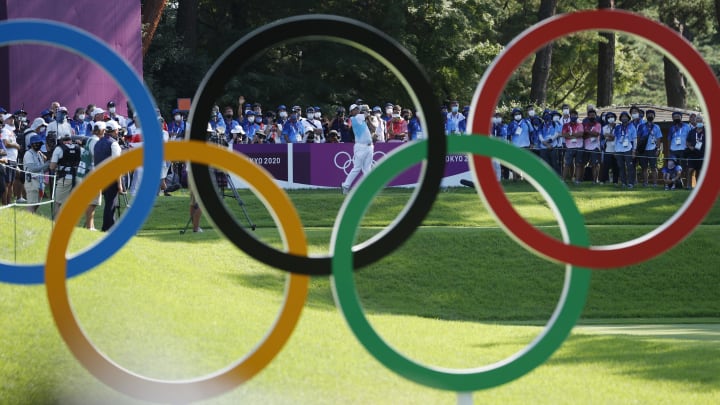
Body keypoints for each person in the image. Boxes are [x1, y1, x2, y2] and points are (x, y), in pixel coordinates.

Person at [94, 120, 124, 231]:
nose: (118, 132)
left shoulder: (98, 142)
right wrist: (119, 184)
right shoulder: (114, 144)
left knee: (109, 203)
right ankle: (108, 228)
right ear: (115, 130)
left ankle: (110, 226)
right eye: (117, 130)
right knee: (111, 204)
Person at [341, 104, 375, 194]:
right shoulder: (356, 118)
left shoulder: (361, 119)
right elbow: (367, 113)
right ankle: (346, 186)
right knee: (357, 168)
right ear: (351, 112)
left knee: (367, 169)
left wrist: (368, 117)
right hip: (361, 147)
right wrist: (367, 112)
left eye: (357, 109)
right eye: (355, 109)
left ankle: (368, 188)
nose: (357, 110)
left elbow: (373, 128)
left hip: (369, 146)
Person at [49, 132, 82, 213]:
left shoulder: (59, 149)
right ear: (71, 140)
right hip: (77, 178)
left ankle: (57, 222)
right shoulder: (79, 148)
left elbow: (52, 167)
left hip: (64, 178)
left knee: (58, 203)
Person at [22, 134, 49, 213]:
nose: (37, 145)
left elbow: (42, 169)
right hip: (32, 181)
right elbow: (33, 169)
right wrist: (46, 164)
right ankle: (28, 219)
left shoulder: (39, 154)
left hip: (40, 182)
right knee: (31, 203)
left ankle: (32, 217)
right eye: (35, 143)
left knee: (38, 203)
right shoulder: (28, 154)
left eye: (39, 143)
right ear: (31, 144)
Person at [636, 109, 662, 187]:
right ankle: (645, 183)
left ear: (654, 116)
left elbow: (658, 138)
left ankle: (655, 183)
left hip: (653, 149)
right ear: (646, 116)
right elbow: (638, 137)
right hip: (643, 149)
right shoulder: (641, 126)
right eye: (648, 114)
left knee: (653, 167)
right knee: (644, 167)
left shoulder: (657, 127)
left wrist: (658, 149)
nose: (650, 116)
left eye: (651, 114)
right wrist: (638, 148)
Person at [613, 111, 637, 188]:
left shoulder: (632, 127)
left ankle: (631, 183)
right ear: (620, 118)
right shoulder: (617, 127)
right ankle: (623, 182)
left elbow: (635, 139)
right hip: (618, 149)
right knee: (621, 166)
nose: (624, 118)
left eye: (625, 117)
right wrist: (614, 150)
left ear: (628, 118)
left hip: (628, 149)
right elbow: (615, 139)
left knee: (630, 166)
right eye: (622, 117)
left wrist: (634, 150)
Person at [1, 113, 21, 205]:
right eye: (9, 118)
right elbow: (5, 143)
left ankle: (9, 204)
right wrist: (16, 145)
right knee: (7, 183)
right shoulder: (4, 130)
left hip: (13, 159)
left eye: (13, 118)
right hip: (7, 159)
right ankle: (5, 204)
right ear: (5, 120)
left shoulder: (11, 131)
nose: (12, 119)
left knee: (11, 183)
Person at [561, 109, 584, 184]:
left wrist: (570, 135)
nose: (573, 116)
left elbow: (581, 134)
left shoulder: (580, 125)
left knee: (578, 164)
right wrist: (574, 135)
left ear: (577, 116)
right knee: (567, 164)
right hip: (569, 147)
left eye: (575, 115)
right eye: (572, 115)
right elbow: (564, 135)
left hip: (579, 146)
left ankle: (577, 180)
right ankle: (563, 180)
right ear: (570, 116)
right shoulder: (566, 125)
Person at [581, 108, 602, 184]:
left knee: (595, 164)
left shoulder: (598, 124)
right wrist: (590, 133)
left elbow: (597, 134)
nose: (592, 116)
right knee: (583, 163)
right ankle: (581, 179)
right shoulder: (585, 125)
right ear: (588, 116)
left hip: (595, 147)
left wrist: (587, 132)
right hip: (586, 146)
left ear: (596, 116)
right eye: (590, 115)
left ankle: (595, 180)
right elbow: (583, 136)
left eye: (593, 115)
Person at [685, 114, 705, 190]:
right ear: (695, 122)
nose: (699, 122)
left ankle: (698, 187)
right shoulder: (691, 132)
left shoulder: (706, 131)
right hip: (692, 154)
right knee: (690, 170)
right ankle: (688, 186)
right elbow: (687, 142)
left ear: (703, 122)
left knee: (699, 171)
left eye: (700, 121)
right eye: (697, 121)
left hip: (702, 154)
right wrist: (691, 147)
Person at [600, 112, 620, 185]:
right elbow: (603, 138)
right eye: (608, 117)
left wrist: (608, 135)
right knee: (606, 166)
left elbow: (616, 137)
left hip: (616, 149)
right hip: (607, 149)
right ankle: (603, 180)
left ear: (614, 117)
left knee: (616, 166)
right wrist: (610, 137)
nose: (610, 118)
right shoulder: (604, 128)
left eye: (612, 116)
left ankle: (615, 181)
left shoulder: (618, 126)